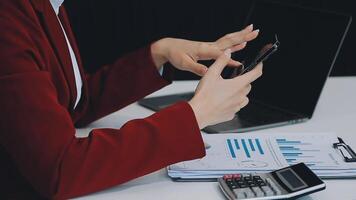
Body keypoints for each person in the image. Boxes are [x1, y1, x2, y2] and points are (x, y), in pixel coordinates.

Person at [0, 0, 263, 199]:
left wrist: (158, 53)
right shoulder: (9, 18)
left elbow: (73, 105)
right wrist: (195, 116)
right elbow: (61, 168)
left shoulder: (45, 5)